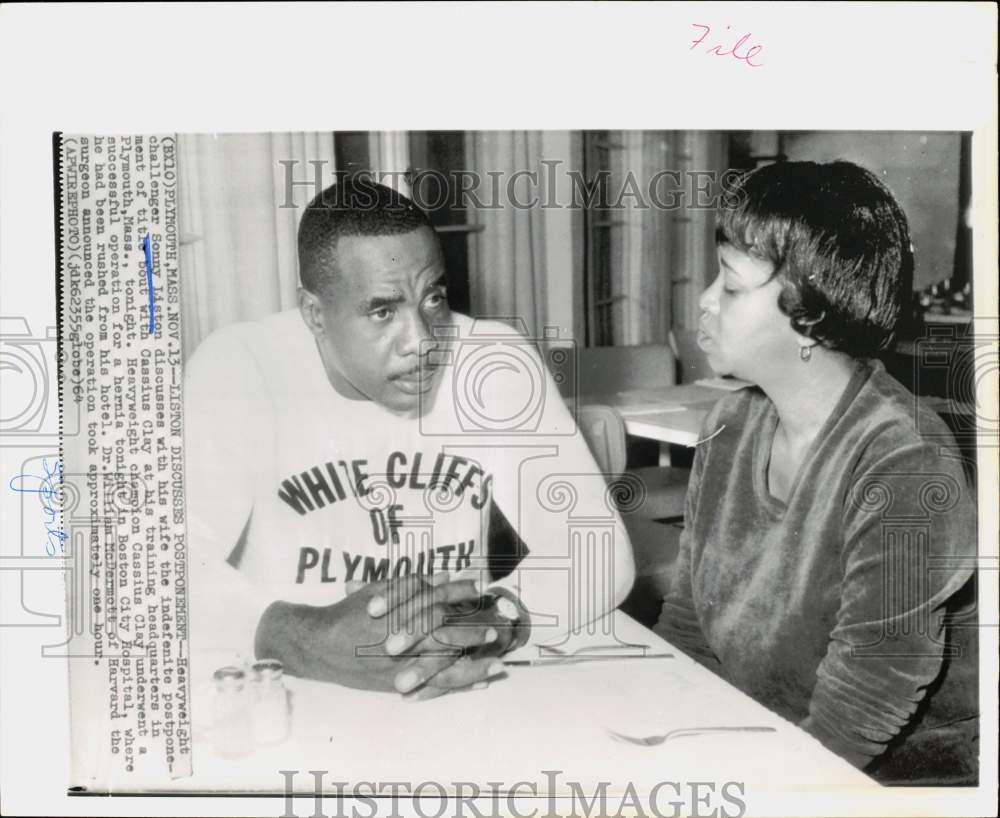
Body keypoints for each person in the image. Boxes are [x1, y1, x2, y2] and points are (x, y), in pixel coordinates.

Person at [184, 178, 635, 700]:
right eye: (383, 311)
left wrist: (492, 620)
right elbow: (156, 566)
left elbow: (596, 548)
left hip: (454, 683)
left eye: (433, 298)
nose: (422, 341)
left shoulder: (492, 362)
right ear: (315, 315)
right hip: (295, 691)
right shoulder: (242, 368)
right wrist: (305, 637)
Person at [655, 160, 978, 785]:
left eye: (730, 283)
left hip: (892, 776)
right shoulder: (729, 424)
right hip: (757, 741)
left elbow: (864, 702)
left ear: (810, 313)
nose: (704, 299)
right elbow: (688, 627)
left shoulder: (905, 459)